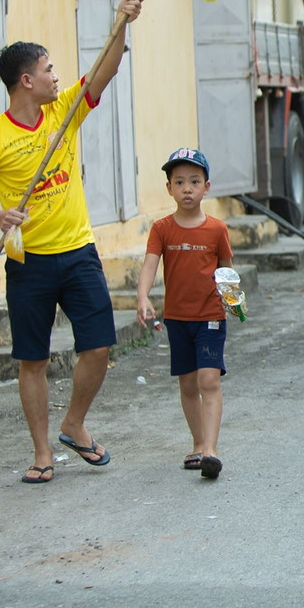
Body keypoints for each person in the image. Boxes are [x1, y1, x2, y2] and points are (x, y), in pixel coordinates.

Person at [0, 0, 145, 484]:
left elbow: (107, 68)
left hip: (78, 252)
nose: (57, 76)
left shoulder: (65, 113)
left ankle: (74, 423)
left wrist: (121, 21)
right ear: (26, 81)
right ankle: (42, 454)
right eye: (49, 68)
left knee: (99, 345)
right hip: (29, 262)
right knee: (32, 359)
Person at [134, 148, 234, 479]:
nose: (187, 188)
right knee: (188, 384)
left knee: (208, 380)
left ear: (207, 187)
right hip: (177, 318)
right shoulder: (161, 229)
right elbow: (150, 263)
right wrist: (143, 296)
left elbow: (226, 269)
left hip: (210, 315)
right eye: (179, 182)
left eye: (194, 181)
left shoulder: (217, 229)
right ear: (169, 189)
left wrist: (233, 300)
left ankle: (211, 449)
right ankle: (198, 443)